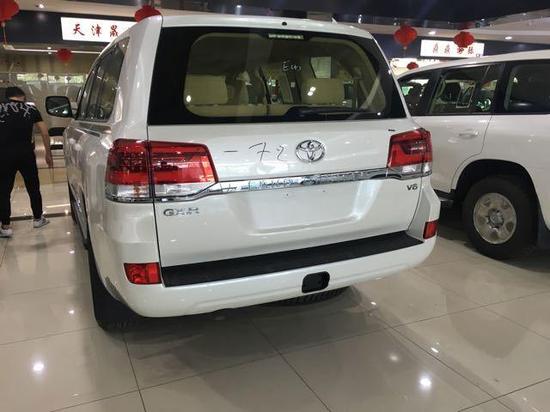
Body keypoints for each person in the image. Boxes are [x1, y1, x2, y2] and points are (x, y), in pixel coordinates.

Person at [0, 87, 53, 238]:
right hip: (26, 154)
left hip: (4, 155)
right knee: (33, 187)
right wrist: (48, 153)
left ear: (7, 96)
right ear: (22, 96)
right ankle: (38, 219)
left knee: (3, 190)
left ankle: (5, 226)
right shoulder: (31, 109)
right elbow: (44, 132)